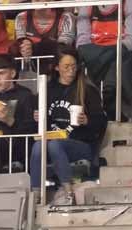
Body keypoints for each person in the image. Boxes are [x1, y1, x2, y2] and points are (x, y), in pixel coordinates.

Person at [29, 48, 107, 207]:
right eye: (66, 67)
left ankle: (68, 191)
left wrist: (87, 121)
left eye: (73, 66)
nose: (71, 71)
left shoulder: (87, 90)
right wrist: (37, 118)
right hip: (52, 140)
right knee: (38, 146)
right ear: (56, 67)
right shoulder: (47, 90)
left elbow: (101, 122)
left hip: (81, 143)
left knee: (54, 144)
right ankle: (36, 194)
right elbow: (34, 121)